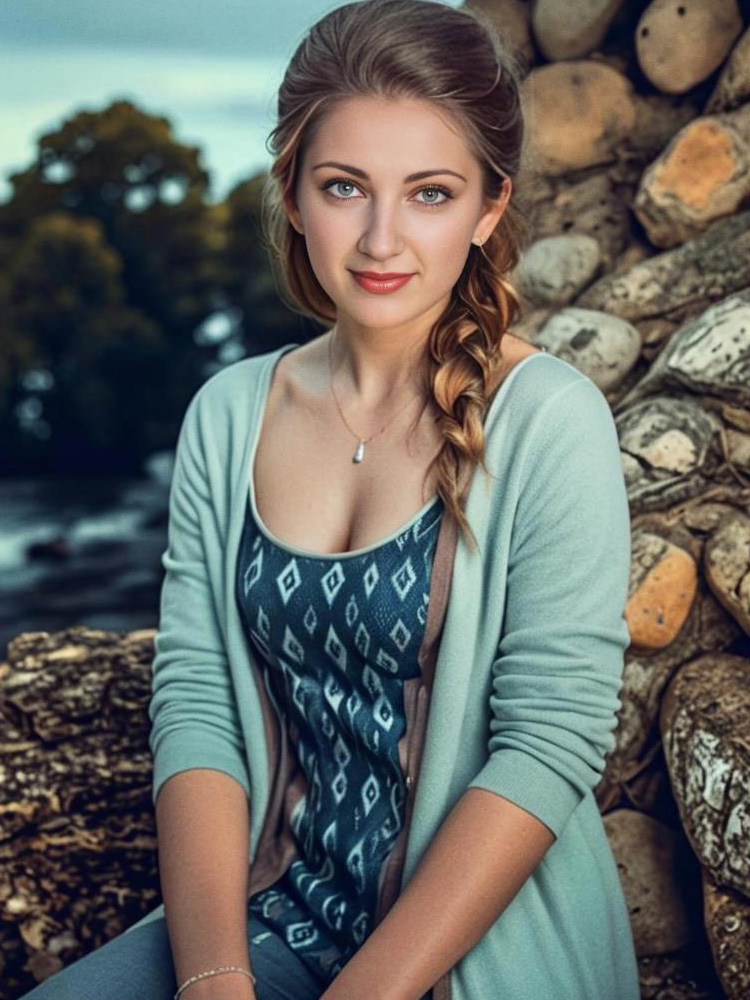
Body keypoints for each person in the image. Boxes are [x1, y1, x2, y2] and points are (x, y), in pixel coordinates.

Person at [17, 2, 640, 999]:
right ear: (294, 196)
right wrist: (213, 976)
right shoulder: (228, 414)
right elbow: (198, 708)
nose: (381, 239)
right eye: (345, 186)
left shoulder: (552, 421)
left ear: (488, 210)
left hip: (479, 949)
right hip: (274, 912)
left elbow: (547, 744)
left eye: (430, 194)